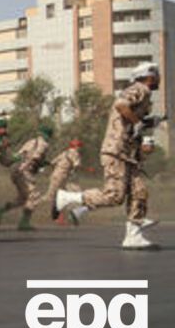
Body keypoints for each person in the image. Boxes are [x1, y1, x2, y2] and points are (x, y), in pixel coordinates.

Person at [54, 62, 163, 249]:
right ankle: (68, 198)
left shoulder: (143, 93)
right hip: (117, 150)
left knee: (139, 192)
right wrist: (138, 121)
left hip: (127, 153)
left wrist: (146, 122)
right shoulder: (140, 88)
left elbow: (128, 119)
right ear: (149, 76)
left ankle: (133, 236)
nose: (159, 78)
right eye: (157, 75)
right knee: (114, 196)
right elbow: (121, 106)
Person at [0, 125, 53, 230]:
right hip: (24, 171)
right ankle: (24, 222)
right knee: (33, 196)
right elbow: (35, 158)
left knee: (23, 198)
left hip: (16, 169)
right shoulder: (43, 144)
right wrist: (28, 167)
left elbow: (20, 154)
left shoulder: (31, 141)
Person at [45, 139, 83, 224]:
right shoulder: (75, 153)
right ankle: (61, 215)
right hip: (63, 177)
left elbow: (52, 163)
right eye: (79, 146)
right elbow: (77, 165)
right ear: (76, 146)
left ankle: (58, 216)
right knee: (55, 196)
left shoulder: (64, 153)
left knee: (56, 196)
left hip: (55, 176)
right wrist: (73, 171)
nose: (80, 148)